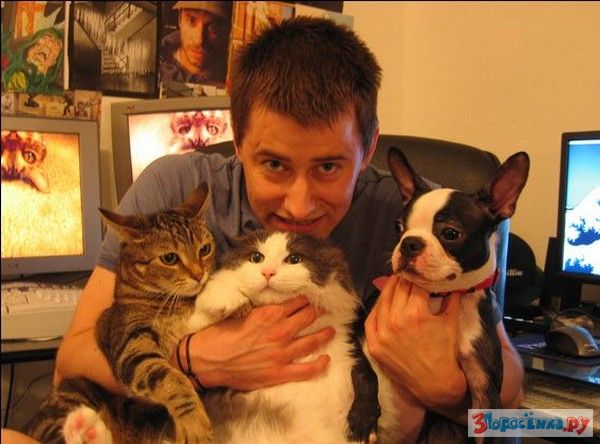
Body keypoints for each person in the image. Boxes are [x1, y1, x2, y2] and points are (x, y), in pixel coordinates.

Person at [7, 16, 523, 443]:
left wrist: (441, 389)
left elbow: (512, 393)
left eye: (328, 167)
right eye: (274, 164)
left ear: (368, 149)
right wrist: (197, 360)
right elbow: (72, 360)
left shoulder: (412, 219)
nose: (299, 205)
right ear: (238, 141)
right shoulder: (175, 189)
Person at [158, 1, 232, 86]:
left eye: (213, 27)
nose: (199, 41)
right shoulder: (157, 64)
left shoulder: (229, 72)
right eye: (191, 21)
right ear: (180, 19)